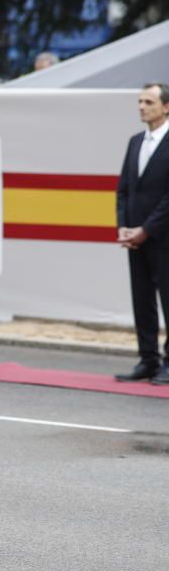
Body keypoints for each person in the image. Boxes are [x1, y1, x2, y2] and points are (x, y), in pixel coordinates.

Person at [114, 82, 169, 384]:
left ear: (166, 107)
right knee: (142, 299)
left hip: (163, 238)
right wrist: (123, 224)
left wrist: (147, 229)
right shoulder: (135, 141)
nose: (141, 107)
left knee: (168, 300)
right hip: (135, 238)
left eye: (148, 102)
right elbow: (124, 189)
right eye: (139, 101)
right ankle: (147, 358)